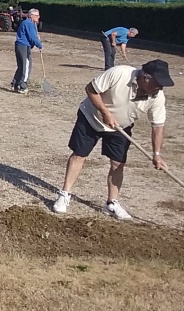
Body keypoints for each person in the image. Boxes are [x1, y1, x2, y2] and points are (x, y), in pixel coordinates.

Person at [52, 59, 173, 220]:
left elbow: (157, 126)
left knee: (118, 163)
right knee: (79, 155)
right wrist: (105, 112)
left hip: (120, 127)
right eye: (158, 83)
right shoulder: (119, 73)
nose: (160, 88)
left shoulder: (157, 96)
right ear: (145, 77)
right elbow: (90, 89)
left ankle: (112, 203)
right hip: (91, 117)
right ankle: (65, 194)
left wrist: (157, 153)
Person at [10, 8, 42, 94]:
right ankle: (22, 85)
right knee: (26, 65)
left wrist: (36, 37)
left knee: (21, 65)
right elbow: (32, 37)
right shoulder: (29, 23)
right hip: (23, 46)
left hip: (21, 45)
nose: (39, 17)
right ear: (32, 16)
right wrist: (39, 44)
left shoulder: (29, 23)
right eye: (37, 15)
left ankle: (15, 84)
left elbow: (32, 36)